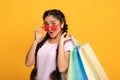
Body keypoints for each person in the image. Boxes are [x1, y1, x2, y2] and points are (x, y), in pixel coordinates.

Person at [25, 9, 74, 80]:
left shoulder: (67, 43)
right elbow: (28, 63)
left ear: (62, 23)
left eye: (53, 23)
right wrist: (36, 41)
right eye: (47, 24)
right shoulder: (42, 41)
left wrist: (60, 43)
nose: (50, 28)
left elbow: (62, 69)